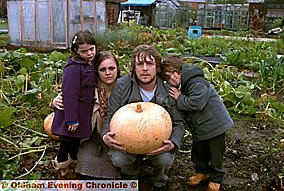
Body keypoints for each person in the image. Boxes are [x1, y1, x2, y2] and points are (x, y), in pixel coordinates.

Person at [101, 45, 186, 190]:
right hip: (127, 143)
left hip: (158, 143)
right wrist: (105, 136)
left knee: (164, 159)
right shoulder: (122, 85)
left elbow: (178, 122)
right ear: (134, 67)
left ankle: (160, 181)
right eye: (140, 64)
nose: (145, 68)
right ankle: (131, 176)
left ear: (157, 67)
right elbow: (110, 115)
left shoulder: (168, 88)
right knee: (118, 158)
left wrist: (173, 143)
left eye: (150, 63)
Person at [160, 55, 234, 191]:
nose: (173, 77)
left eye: (175, 72)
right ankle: (202, 173)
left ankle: (216, 179)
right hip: (201, 128)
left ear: (181, 69)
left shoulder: (197, 82)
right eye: (168, 76)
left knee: (215, 154)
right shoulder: (183, 85)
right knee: (198, 152)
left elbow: (197, 103)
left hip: (215, 126)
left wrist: (179, 97)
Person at [51, 51, 121, 179]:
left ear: (117, 68)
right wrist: (55, 102)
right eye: (102, 69)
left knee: (116, 166)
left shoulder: (124, 88)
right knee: (86, 165)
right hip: (90, 138)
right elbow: (70, 99)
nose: (108, 73)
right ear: (96, 71)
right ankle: (65, 167)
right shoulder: (87, 89)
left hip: (115, 138)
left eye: (111, 68)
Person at [51, 30, 97, 179]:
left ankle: (71, 171)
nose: (89, 53)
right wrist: (71, 118)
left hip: (82, 113)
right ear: (76, 51)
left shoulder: (89, 64)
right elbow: (69, 95)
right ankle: (62, 172)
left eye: (92, 49)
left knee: (74, 144)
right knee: (66, 144)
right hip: (71, 115)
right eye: (84, 51)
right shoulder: (73, 68)